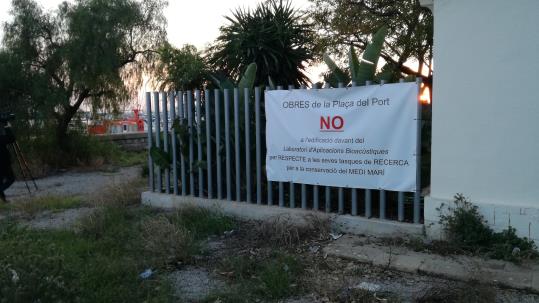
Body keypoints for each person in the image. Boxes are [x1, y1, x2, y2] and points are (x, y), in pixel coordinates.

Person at [0, 121, 15, 202]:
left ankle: (3, 200)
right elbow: (11, 138)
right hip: (3, 162)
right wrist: (7, 127)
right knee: (11, 178)